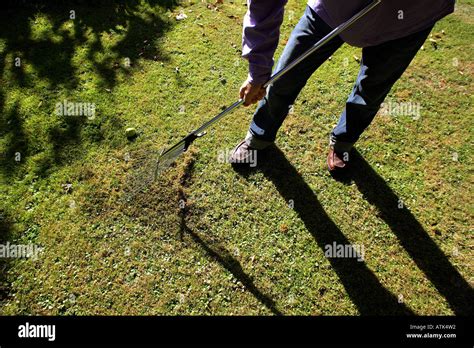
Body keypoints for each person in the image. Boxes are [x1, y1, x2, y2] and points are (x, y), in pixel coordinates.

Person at [230, 0, 455, 171]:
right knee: (286, 76)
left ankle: (343, 142)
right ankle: (260, 135)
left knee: (373, 89)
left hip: (411, 17)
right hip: (332, 8)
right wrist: (257, 71)